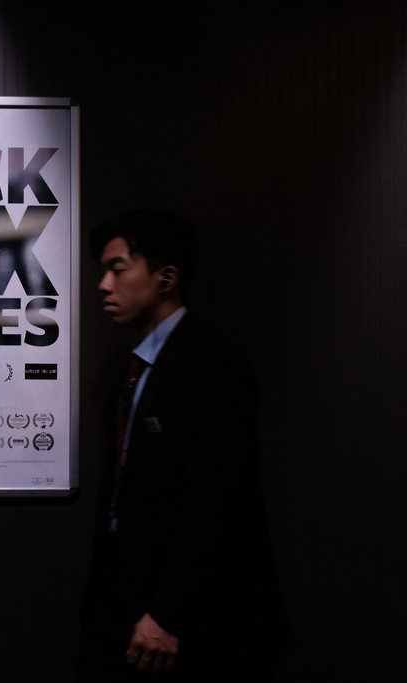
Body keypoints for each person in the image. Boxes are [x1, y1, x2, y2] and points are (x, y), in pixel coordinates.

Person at [79, 211, 291, 681]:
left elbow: (220, 502)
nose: (103, 285)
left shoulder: (208, 362)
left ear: (166, 278)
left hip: (189, 620)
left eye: (117, 269)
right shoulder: (132, 370)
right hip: (123, 596)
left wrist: (169, 614)